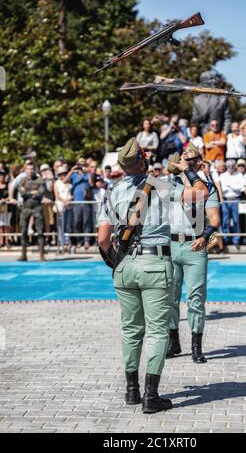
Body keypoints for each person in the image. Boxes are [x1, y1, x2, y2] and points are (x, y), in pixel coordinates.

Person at [97, 138, 209, 414]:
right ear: (144, 161)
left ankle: (131, 390)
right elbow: (200, 194)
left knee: (131, 330)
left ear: (122, 168)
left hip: (124, 265)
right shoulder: (161, 185)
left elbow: (102, 239)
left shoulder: (111, 191)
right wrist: (188, 169)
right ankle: (151, 395)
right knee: (157, 331)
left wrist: (116, 264)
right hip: (156, 262)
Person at [166, 144, 220, 362]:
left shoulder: (208, 187)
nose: (185, 159)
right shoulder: (169, 185)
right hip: (171, 244)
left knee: (196, 299)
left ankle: (196, 346)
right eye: (183, 157)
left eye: (191, 157)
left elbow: (215, 219)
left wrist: (205, 236)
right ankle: (173, 342)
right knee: (170, 297)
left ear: (200, 161)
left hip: (195, 246)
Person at [10, 162, 46, 261]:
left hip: (37, 208)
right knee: (23, 231)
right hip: (25, 208)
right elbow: (22, 193)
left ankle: (42, 254)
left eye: (31, 169)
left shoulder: (39, 180)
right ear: (25, 170)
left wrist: (29, 193)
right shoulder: (22, 181)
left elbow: (40, 193)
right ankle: (23, 254)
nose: (30, 171)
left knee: (40, 231)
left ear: (34, 170)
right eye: (28, 169)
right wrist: (32, 192)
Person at [64, 158, 93, 250]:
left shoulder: (87, 174)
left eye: (83, 164)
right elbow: (64, 181)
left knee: (86, 222)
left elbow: (91, 184)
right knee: (77, 222)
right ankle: (79, 241)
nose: (81, 166)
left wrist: (88, 172)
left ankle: (86, 241)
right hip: (76, 202)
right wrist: (72, 170)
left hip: (86, 201)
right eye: (80, 164)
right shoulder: (73, 175)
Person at [191, 70, 232, 135]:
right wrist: (199, 118)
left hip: (219, 137)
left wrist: (224, 134)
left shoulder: (222, 99)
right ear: (204, 82)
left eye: (214, 78)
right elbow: (194, 121)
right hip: (201, 136)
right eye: (211, 79)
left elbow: (227, 119)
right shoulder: (197, 100)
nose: (214, 81)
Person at [219, 160, 246, 250]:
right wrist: (234, 186)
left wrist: (229, 186)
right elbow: (222, 189)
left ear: (235, 166)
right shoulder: (222, 176)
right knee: (225, 221)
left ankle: (236, 240)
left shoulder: (239, 175)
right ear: (226, 166)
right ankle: (226, 239)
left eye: (232, 166)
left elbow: (240, 188)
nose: (230, 168)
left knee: (236, 221)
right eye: (228, 166)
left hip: (236, 200)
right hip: (225, 200)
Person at [54, 166, 73, 253]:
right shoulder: (56, 183)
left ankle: (66, 243)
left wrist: (69, 200)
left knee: (68, 225)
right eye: (61, 174)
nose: (62, 176)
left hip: (68, 206)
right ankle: (61, 244)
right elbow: (57, 195)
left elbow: (70, 194)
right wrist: (64, 201)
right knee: (60, 226)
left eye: (64, 174)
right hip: (60, 207)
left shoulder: (69, 184)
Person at [0, 170, 12, 248]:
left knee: (7, 224)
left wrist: (5, 199)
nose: (1, 177)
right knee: (0, 225)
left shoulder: (8, 185)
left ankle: (7, 241)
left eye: (2, 176)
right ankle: (1, 241)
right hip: (0, 206)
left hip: (7, 206)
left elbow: (10, 195)